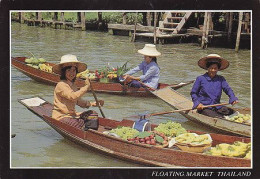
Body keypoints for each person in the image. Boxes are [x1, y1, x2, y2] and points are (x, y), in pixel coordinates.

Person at [52, 54, 104, 129]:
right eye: (69, 70)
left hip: (72, 115)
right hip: (61, 116)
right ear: (64, 72)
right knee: (77, 124)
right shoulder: (61, 85)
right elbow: (73, 96)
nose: (71, 73)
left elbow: (79, 101)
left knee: (93, 114)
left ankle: (90, 133)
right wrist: (86, 87)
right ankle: (84, 131)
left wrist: (94, 103)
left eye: (74, 70)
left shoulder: (73, 85)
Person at [190, 54, 238, 118]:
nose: (213, 70)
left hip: (217, 106)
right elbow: (193, 93)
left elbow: (228, 89)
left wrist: (232, 98)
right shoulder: (200, 78)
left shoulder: (221, 79)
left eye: (215, 68)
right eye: (211, 68)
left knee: (233, 113)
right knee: (218, 117)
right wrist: (197, 103)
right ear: (207, 68)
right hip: (204, 107)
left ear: (218, 69)